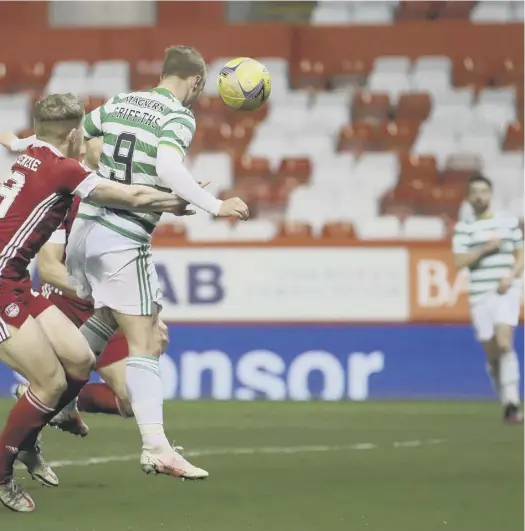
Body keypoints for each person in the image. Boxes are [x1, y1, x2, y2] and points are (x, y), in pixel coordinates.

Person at [66, 45, 248, 480]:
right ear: (197, 83)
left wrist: (96, 174)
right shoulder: (178, 116)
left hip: (84, 232)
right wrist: (212, 204)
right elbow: (167, 165)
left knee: (109, 316)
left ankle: (53, 389)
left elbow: (78, 138)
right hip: (122, 240)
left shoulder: (121, 101)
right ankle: (156, 447)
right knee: (144, 337)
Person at [0, 92, 189, 513]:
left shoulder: (32, 148)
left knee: (80, 359)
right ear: (73, 135)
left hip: (14, 281)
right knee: (48, 382)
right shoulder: (64, 170)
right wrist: (183, 200)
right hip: (1, 283)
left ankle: (35, 426)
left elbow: (10, 138)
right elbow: (134, 198)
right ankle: (3, 472)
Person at [452, 175, 524, 424]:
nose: (480, 196)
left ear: (491, 194)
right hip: (479, 296)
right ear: (469, 198)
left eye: (484, 191)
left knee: (505, 343)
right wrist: (485, 249)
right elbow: (459, 262)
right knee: (493, 355)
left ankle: (513, 403)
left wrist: (512, 277)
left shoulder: (507, 222)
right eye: (475, 192)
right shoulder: (464, 228)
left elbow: (521, 252)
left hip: (505, 290)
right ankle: (506, 401)